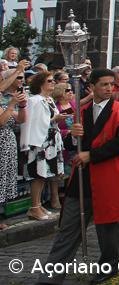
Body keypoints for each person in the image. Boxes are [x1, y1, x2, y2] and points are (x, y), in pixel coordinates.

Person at [36, 68, 119, 285]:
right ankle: (51, 276)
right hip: (81, 178)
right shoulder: (82, 112)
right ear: (92, 87)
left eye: (111, 84)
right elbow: (74, 145)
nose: (109, 88)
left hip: (107, 176)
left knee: (107, 229)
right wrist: (73, 137)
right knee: (68, 229)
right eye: (104, 85)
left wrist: (92, 154)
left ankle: (108, 267)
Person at [20, 71, 65, 219]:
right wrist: (54, 119)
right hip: (39, 141)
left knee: (45, 174)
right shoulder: (35, 100)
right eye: (49, 81)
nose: (53, 83)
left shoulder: (49, 100)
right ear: (41, 84)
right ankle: (34, 206)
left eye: (53, 81)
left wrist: (57, 119)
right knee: (37, 174)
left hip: (50, 140)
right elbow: (33, 122)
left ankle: (38, 205)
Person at [0, 65, 28, 229]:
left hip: (7, 144)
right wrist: (11, 104)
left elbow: (20, 120)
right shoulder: (5, 102)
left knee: (4, 178)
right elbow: (2, 121)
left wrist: (22, 105)